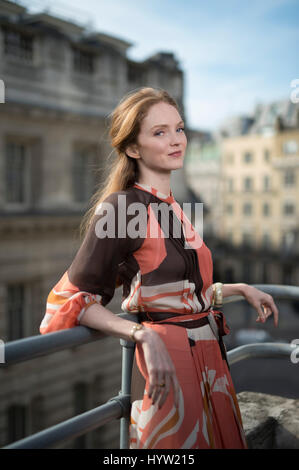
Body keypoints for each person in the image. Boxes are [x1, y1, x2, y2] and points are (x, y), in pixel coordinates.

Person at [40, 87, 279, 449]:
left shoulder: (174, 207)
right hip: (169, 365)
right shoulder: (122, 207)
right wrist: (140, 333)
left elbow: (176, 292)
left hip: (211, 363)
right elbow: (67, 301)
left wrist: (239, 288)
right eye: (159, 132)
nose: (176, 140)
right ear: (133, 149)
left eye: (179, 129)